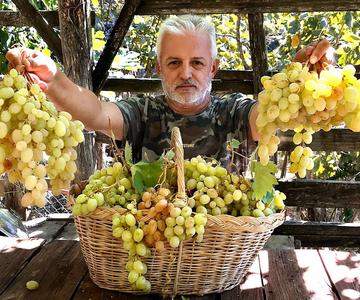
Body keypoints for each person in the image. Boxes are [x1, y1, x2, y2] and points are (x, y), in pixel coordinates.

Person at [5, 15, 335, 165]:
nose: (186, 73)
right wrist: (53, 79)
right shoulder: (141, 113)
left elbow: (275, 112)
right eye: (174, 63)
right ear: (160, 68)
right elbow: (93, 113)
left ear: (214, 68)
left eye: (198, 63)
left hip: (220, 253)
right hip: (152, 248)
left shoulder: (233, 112)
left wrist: (305, 79)